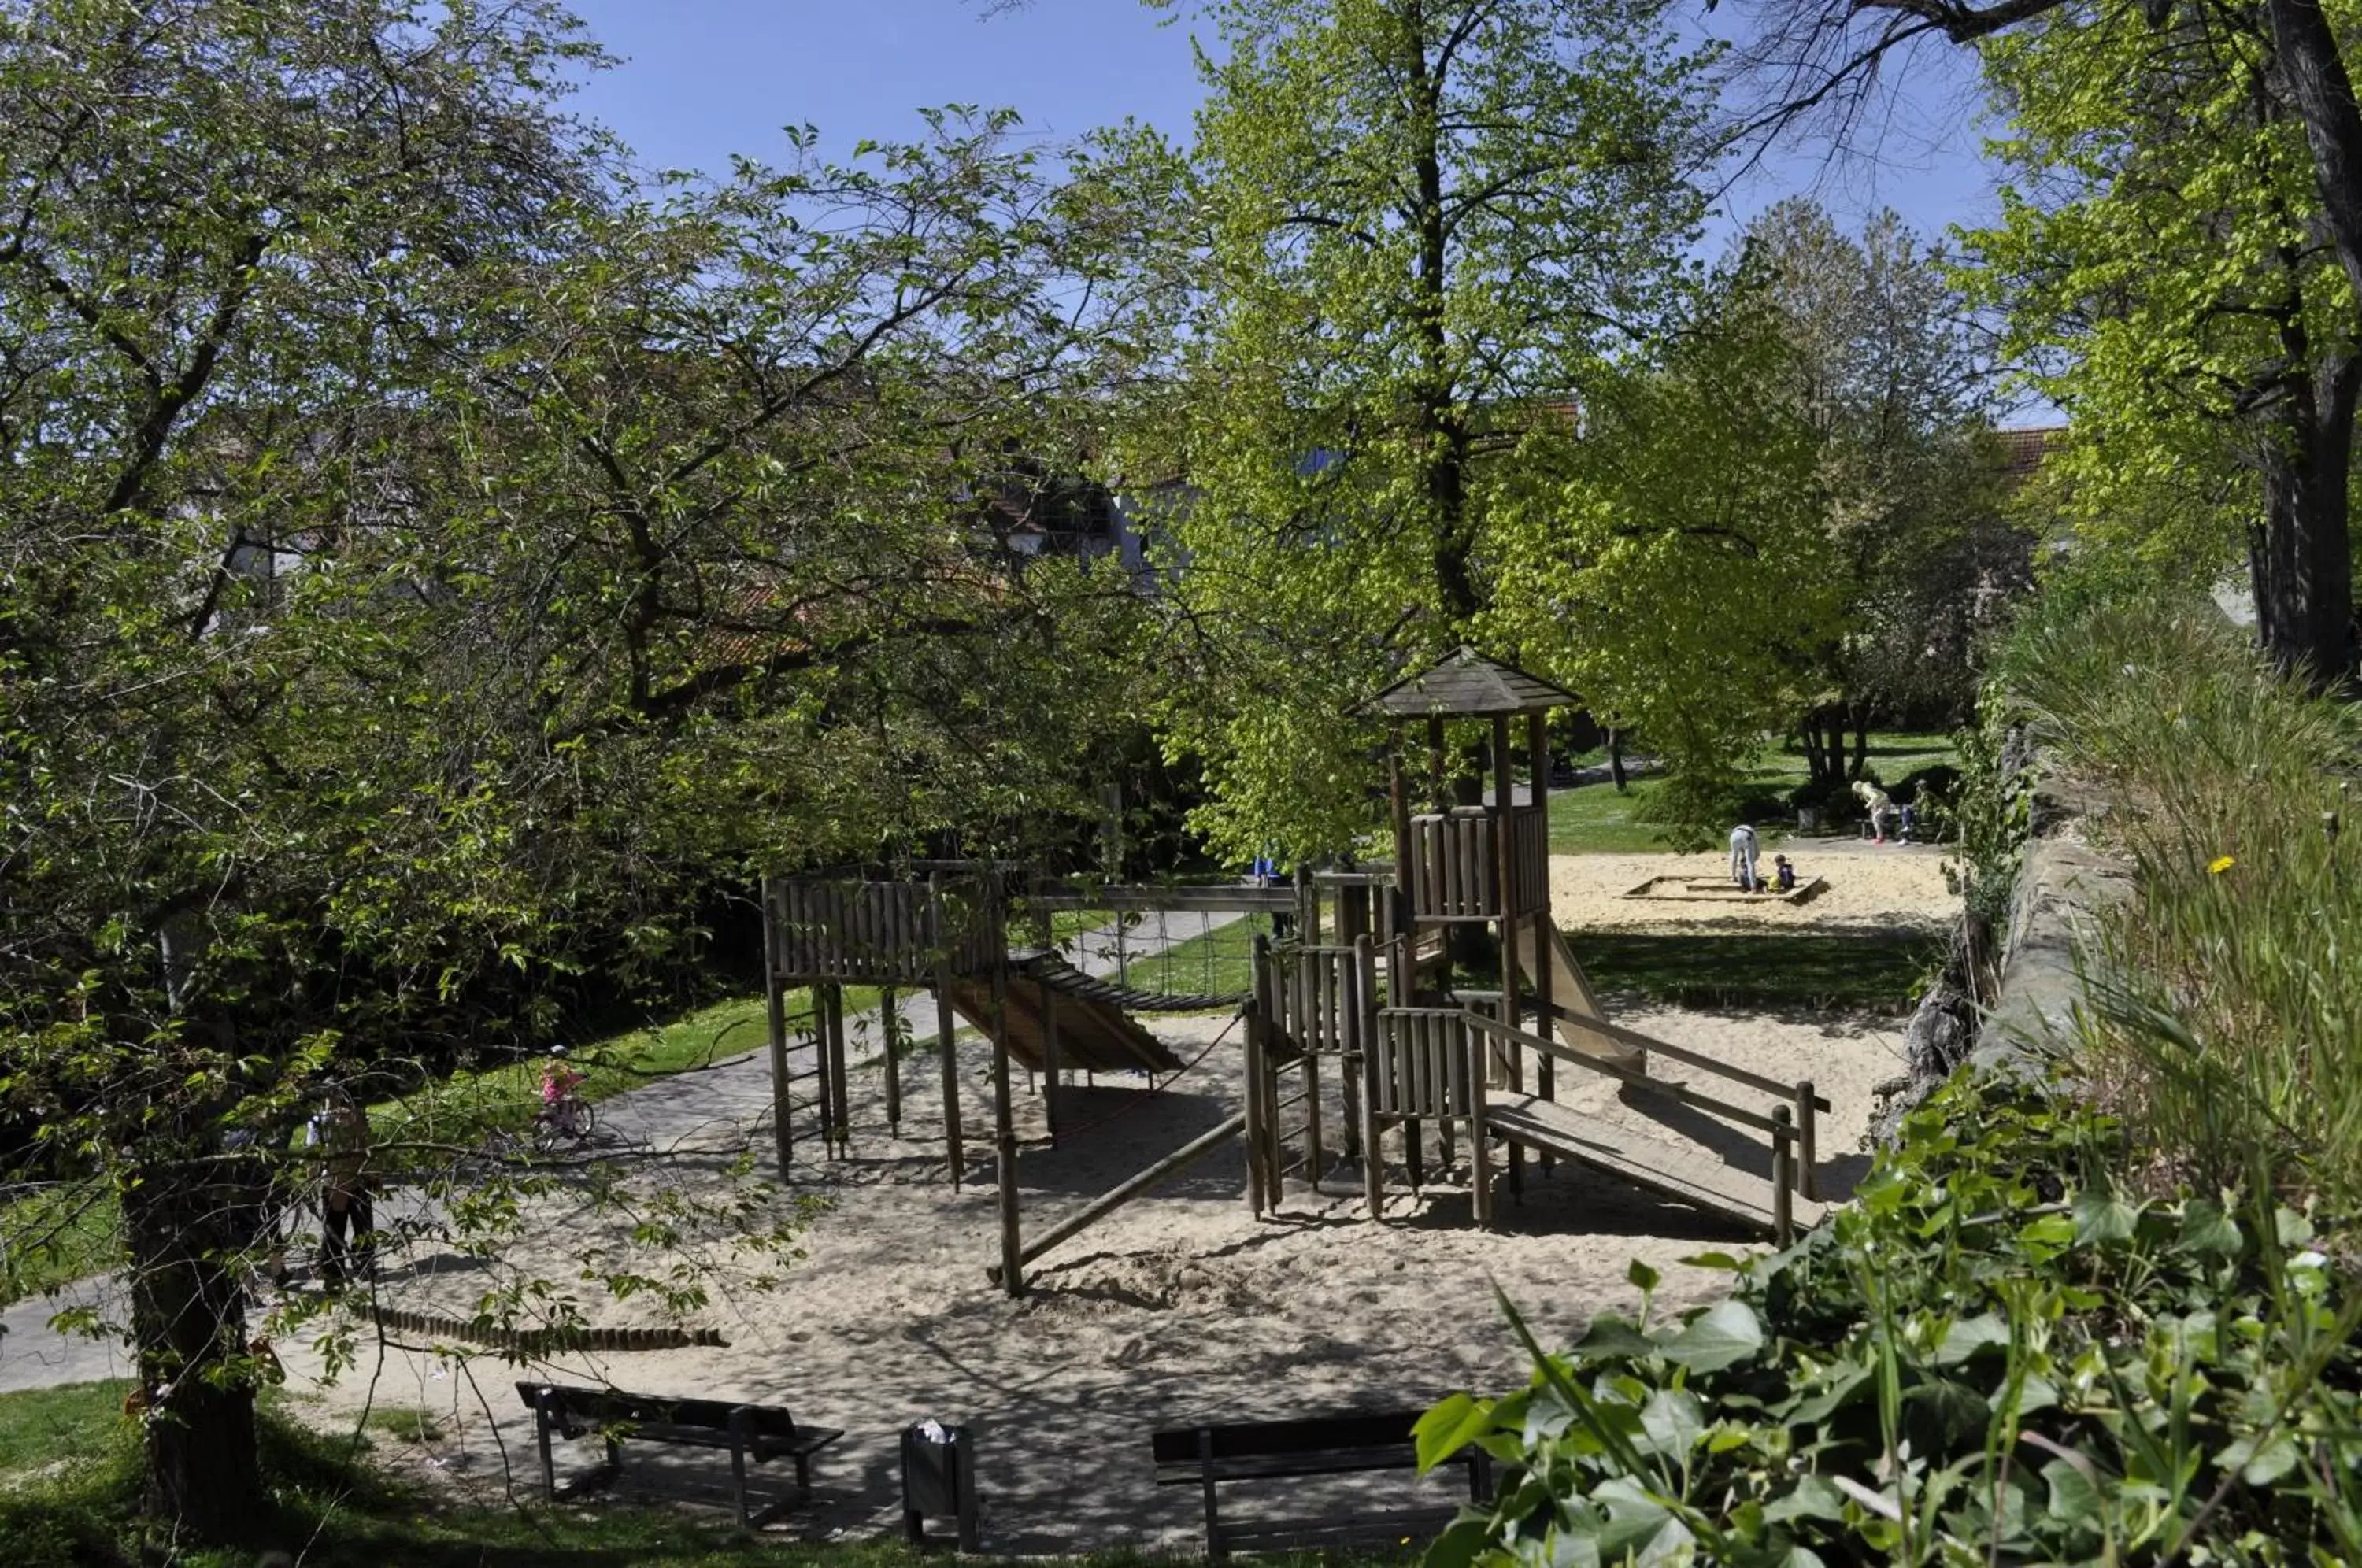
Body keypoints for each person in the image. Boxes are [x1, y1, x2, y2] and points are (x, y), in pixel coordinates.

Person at [315, 1093, 373, 1287]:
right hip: (339, 1180)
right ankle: (338, 1268)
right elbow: (314, 1150)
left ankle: (357, 1265)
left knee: (357, 1225)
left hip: (350, 1179)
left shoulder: (354, 1117)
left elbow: (366, 1145)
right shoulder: (321, 1121)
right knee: (338, 1227)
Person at [1852, 779, 1895, 845]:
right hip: (1883, 802)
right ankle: (1882, 834)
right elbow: (1875, 799)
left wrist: (1868, 805)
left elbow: (1875, 797)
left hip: (1884, 802)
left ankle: (1881, 837)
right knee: (1875, 819)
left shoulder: (1865, 789)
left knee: (1875, 819)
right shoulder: (1865, 788)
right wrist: (1873, 807)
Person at [1727, 822, 1760, 891]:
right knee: (1750, 863)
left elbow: (1742, 853)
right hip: (1747, 835)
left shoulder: (1740, 827)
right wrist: (1750, 861)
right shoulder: (1753, 834)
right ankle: (1753, 886)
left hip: (1734, 835)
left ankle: (1733, 876)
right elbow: (1757, 854)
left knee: (1734, 856)